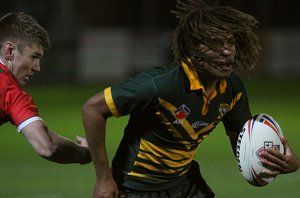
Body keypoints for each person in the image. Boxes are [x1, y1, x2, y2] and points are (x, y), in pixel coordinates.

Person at [82, 0, 300, 197]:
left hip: (185, 183)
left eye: (230, 43)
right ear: (193, 49)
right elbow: (93, 109)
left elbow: (245, 152)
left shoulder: (232, 89)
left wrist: (279, 163)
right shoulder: (161, 84)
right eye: (216, 44)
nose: (227, 52)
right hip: (136, 187)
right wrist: (103, 178)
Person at [0, 12, 91, 165]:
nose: (37, 68)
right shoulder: (8, 91)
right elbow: (48, 146)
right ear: (9, 51)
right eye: (34, 57)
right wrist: (85, 153)